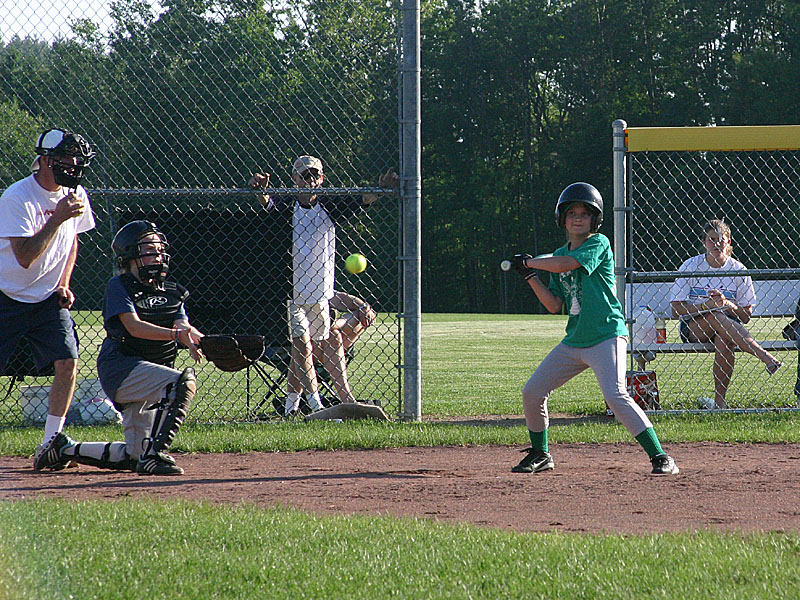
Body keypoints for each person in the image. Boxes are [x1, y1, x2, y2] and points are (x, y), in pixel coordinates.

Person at [509, 182, 679, 475]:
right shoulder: (557, 255)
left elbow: (567, 264)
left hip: (606, 335)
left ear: (594, 220)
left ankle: (661, 457)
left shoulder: (597, 243)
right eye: (571, 212)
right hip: (575, 341)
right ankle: (541, 454)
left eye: (585, 214)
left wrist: (531, 261)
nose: (577, 218)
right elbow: (552, 304)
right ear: (562, 218)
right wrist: (530, 276)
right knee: (533, 392)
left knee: (615, 396)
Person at [49, 221, 204, 475]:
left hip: (150, 373)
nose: (157, 254)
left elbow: (183, 324)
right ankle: (155, 456)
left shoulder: (172, 291)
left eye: (159, 249)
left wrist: (202, 340)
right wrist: (178, 335)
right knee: (181, 383)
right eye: (149, 249)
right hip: (121, 368)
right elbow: (134, 327)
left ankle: (63, 448)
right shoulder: (119, 286)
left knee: (134, 456)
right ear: (129, 255)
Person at [249, 155, 396, 417]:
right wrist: (261, 191)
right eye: (304, 175)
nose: (310, 180)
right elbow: (267, 204)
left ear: (322, 178)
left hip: (319, 295)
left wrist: (381, 189)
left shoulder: (330, 205)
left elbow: (363, 200)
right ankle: (318, 406)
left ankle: (290, 409)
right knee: (303, 346)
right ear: (294, 180)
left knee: (304, 351)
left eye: (314, 175)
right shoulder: (286, 205)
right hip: (290, 293)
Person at [0, 129, 96, 471]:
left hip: (46, 298)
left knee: (67, 362)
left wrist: (63, 283)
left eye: (77, 160)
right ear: (43, 161)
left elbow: (72, 242)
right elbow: (24, 256)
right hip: (6, 294)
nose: (72, 166)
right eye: (64, 160)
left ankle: (50, 443)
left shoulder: (75, 193)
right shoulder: (18, 197)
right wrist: (56, 218)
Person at [670, 219, 782, 409]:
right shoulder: (690, 266)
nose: (716, 244)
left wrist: (727, 304)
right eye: (711, 239)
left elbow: (745, 316)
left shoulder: (738, 270)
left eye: (721, 239)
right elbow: (675, 310)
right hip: (695, 327)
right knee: (714, 316)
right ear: (704, 242)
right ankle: (765, 357)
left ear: (728, 242)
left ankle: (719, 403)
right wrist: (707, 306)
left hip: (727, 328)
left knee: (724, 338)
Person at [309, 290, 377, 406]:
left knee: (358, 317)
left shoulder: (316, 285)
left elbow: (338, 297)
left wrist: (363, 307)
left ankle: (333, 324)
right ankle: (348, 400)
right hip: (300, 348)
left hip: (326, 345)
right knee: (332, 334)